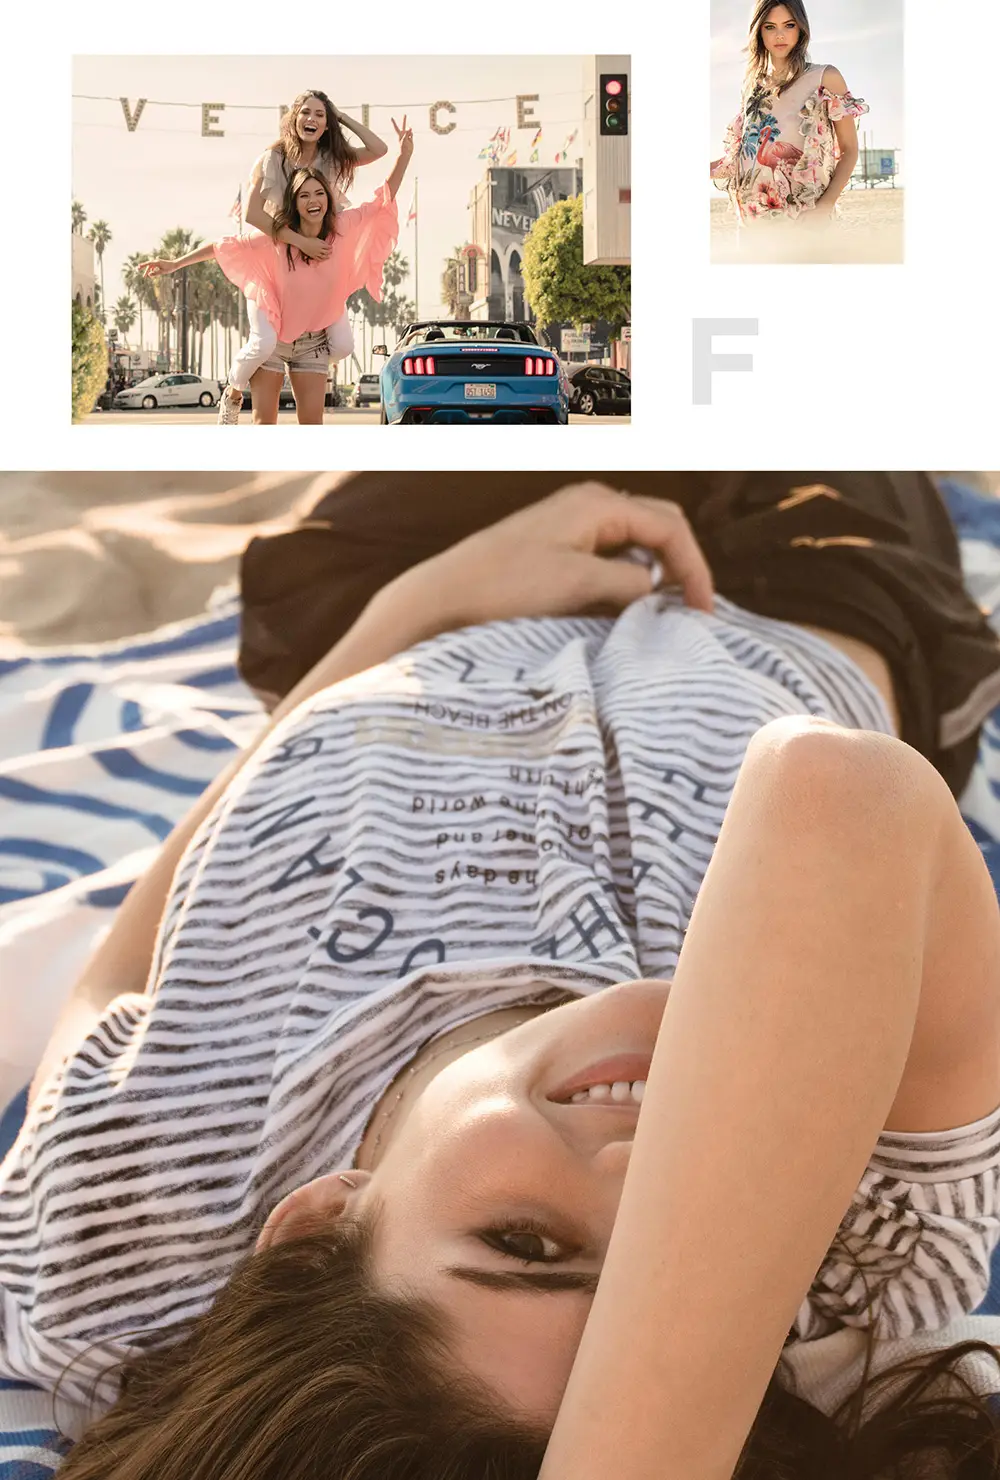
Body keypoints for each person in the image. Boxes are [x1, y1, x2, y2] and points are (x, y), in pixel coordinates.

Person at [3, 484, 1000, 1479]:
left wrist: (415, 605)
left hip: (410, 578)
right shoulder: (860, 1251)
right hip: (804, 579)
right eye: (653, 1278)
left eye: (524, 1241)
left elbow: (123, 974)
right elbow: (837, 796)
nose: (636, 1173)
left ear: (320, 1225)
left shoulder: (126, 1248)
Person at [141, 120, 411, 425]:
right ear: (295, 203)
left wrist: (404, 155)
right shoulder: (277, 238)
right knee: (264, 425)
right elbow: (222, 246)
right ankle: (232, 393)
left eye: (319, 194)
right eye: (304, 195)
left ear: (328, 199)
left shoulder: (343, 227)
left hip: (313, 343)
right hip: (274, 337)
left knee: (312, 426)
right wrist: (175, 264)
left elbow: (383, 197)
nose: (314, 201)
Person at [234, 89, 387, 421]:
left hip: (317, 264)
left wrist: (340, 116)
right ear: (293, 117)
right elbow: (253, 215)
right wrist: (299, 242)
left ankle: (308, 362)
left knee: (344, 344)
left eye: (320, 115)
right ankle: (234, 388)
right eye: (306, 113)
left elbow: (380, 149)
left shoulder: (332, 158)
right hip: (274, 261)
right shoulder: (272, 158)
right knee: (263, 344)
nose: (312, 120)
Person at [711, 1, 868, 252]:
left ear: (801, 28)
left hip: (805, 223)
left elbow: (849, 151)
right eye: (770, 27)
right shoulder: (752, 86)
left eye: (789, 25)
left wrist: (825, 207)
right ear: (758, 32)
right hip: (752, 228)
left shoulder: (825, 78)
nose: (780, 35)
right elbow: (741, 158)